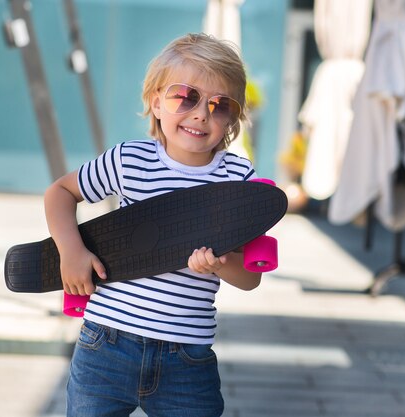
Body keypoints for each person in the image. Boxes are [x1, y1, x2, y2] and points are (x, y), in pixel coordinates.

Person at [43, 32, 261, 417]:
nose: (200, 114)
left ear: (233, 116)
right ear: (156, 102)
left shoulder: (237, 179)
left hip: (187, 359)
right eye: (184, 96)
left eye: (219, 104)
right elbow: (60, 193)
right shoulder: (130, 160)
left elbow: (250, 277)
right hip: (105, 345)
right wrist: (71, 251)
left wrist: (221, 264)